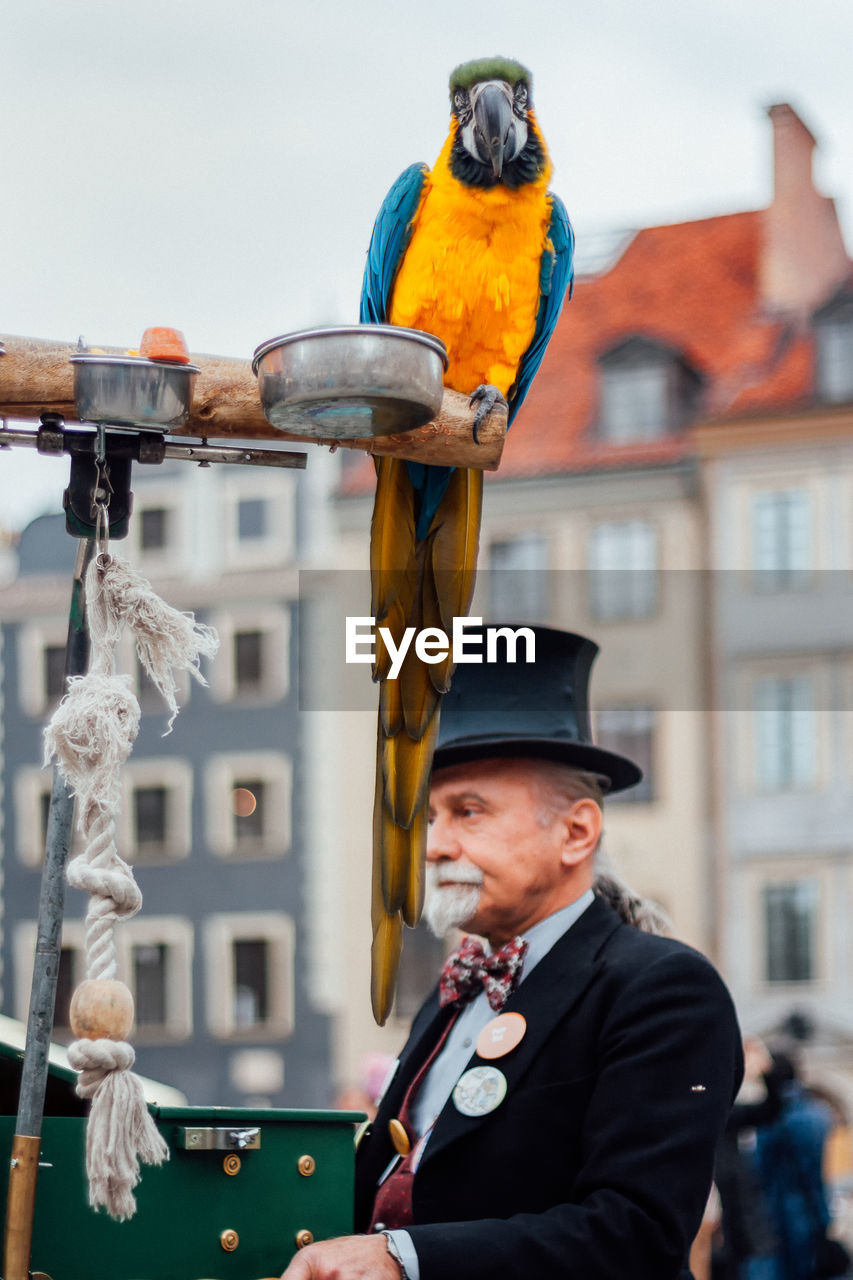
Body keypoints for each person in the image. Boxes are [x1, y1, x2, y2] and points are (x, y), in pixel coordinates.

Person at [280, 626, 744, 1280]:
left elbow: (635, 1234)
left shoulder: (661, 989)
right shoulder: (454, 995)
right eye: (430, 816)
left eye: (468, 812)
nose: (434, 845)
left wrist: (399, 1258)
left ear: (576, 832)